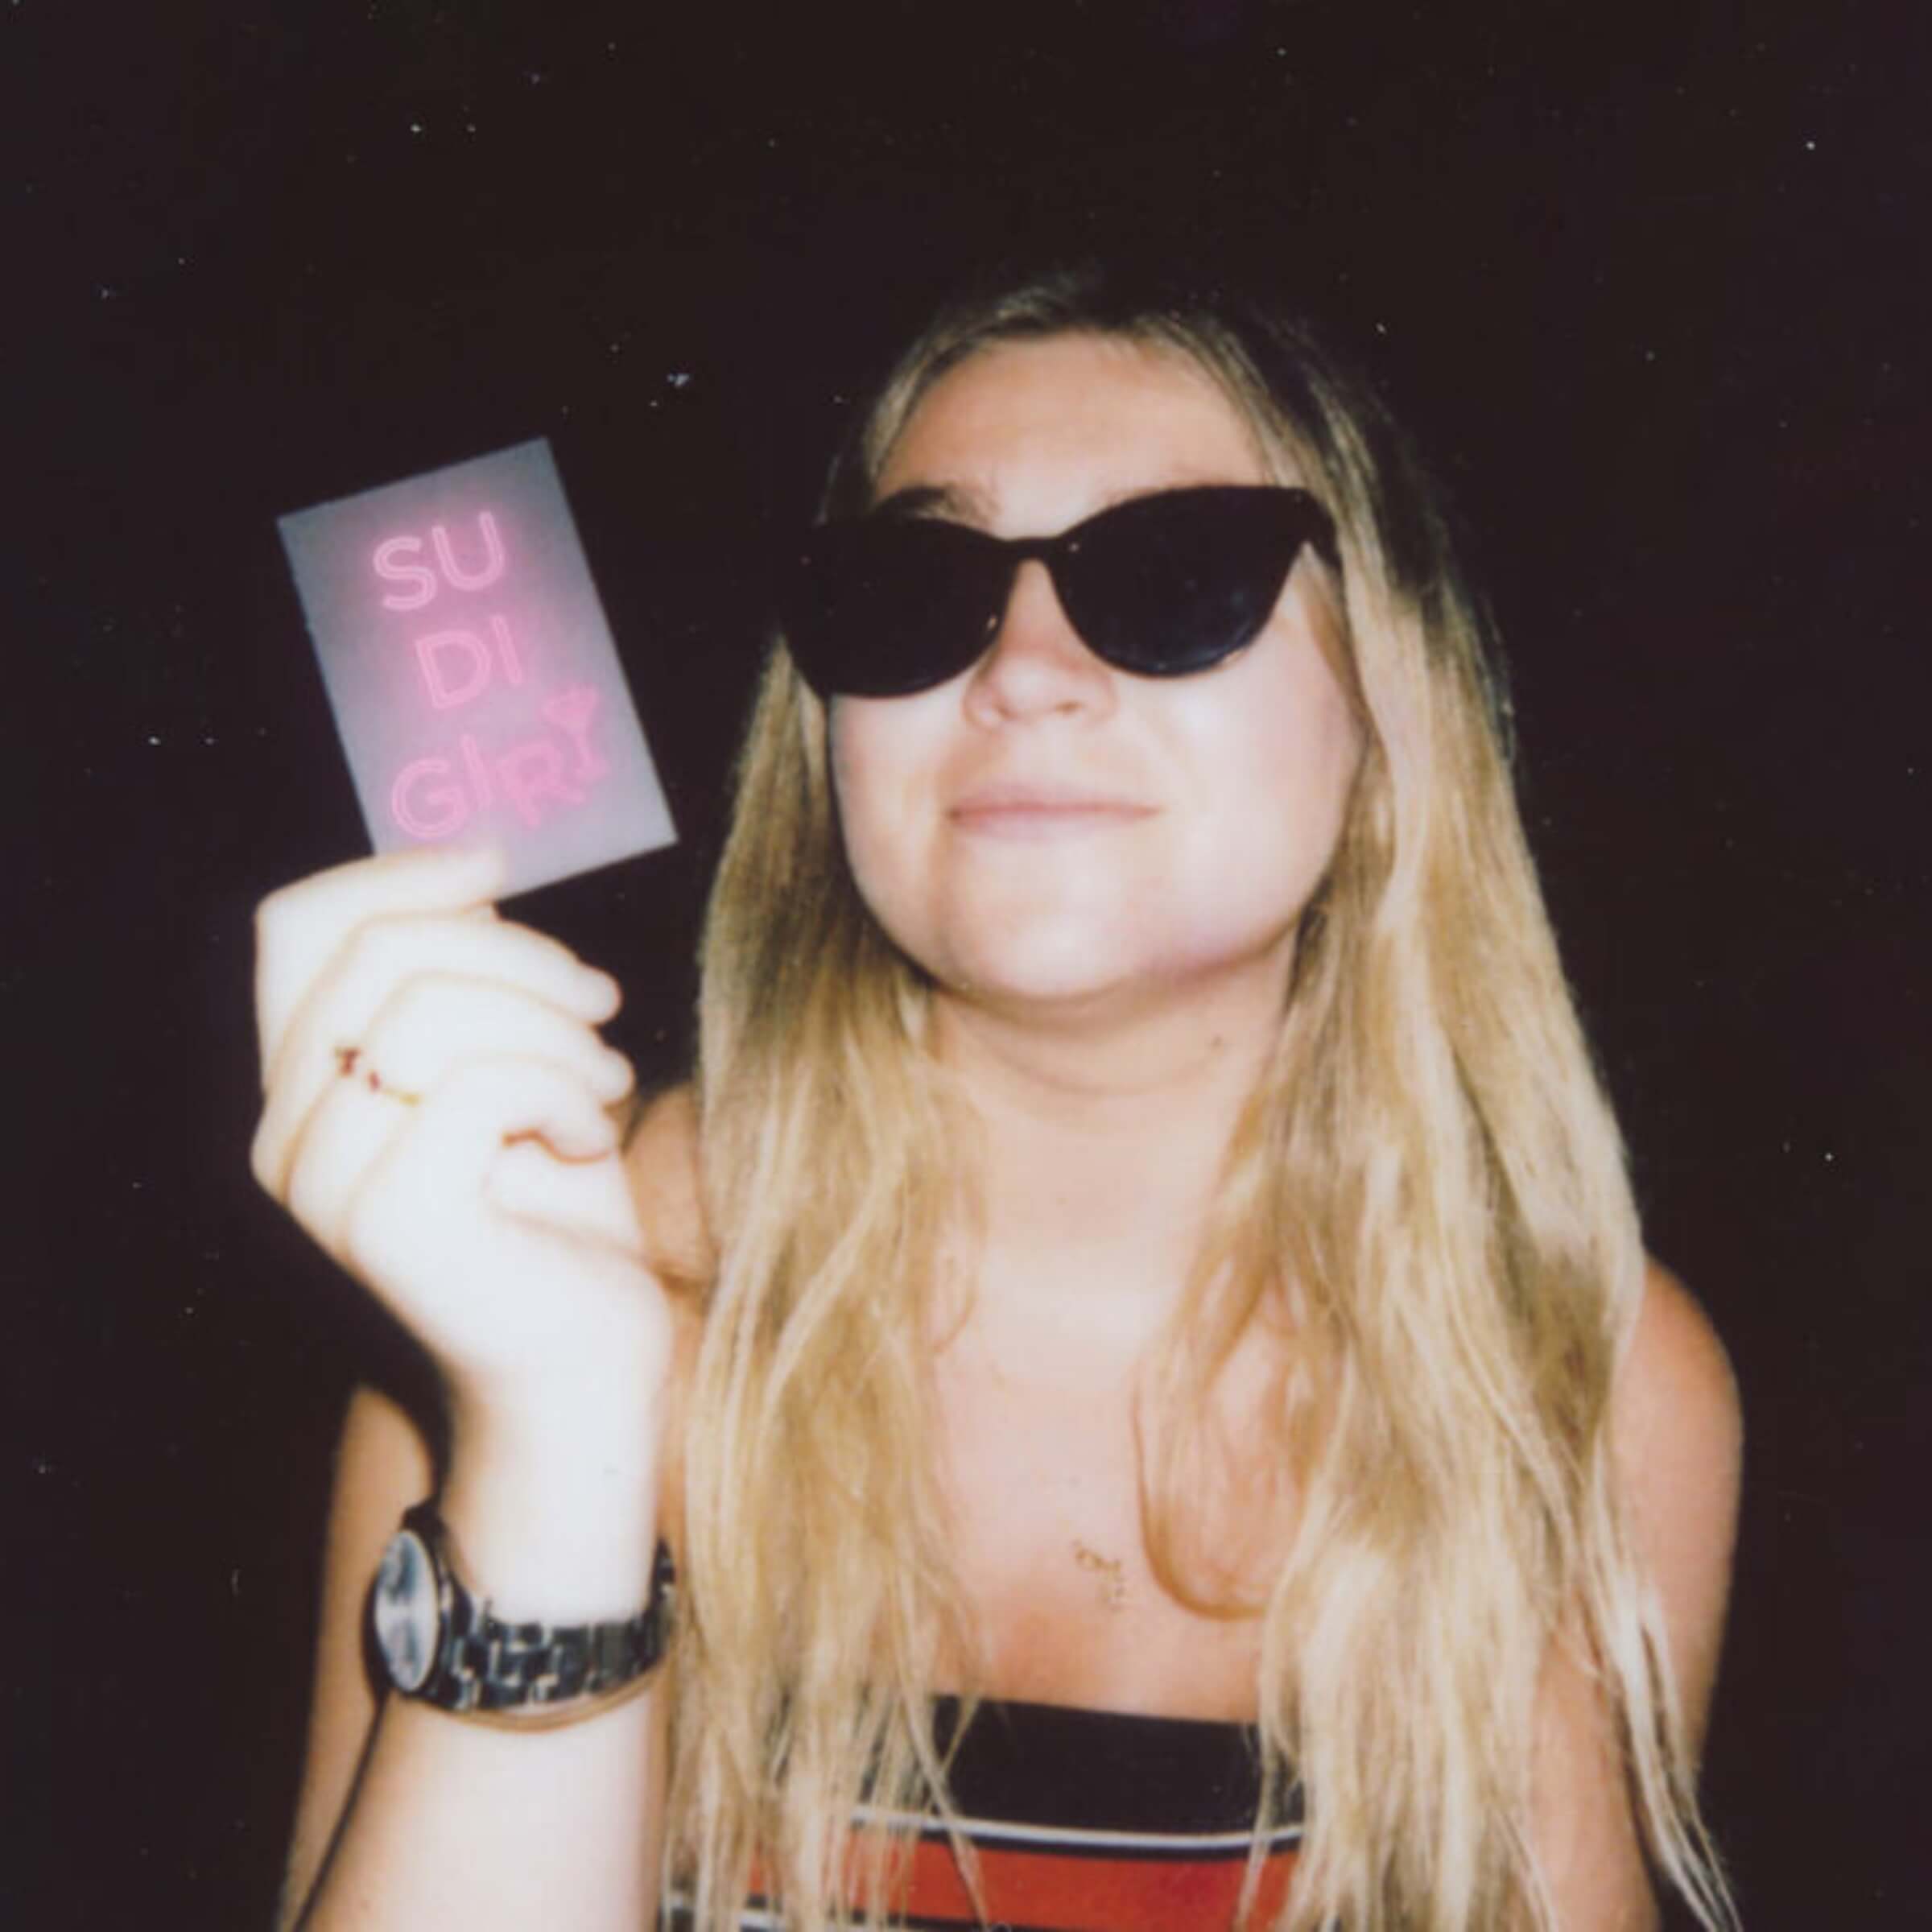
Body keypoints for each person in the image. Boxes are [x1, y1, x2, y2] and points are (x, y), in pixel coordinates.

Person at [254, 262, 1741, 1930]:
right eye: (921, 588)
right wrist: (556, 1438)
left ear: (1386, 719)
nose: (1024, 668)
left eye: (1176, 575)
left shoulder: (1576, 1378)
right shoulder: (546, 1277)